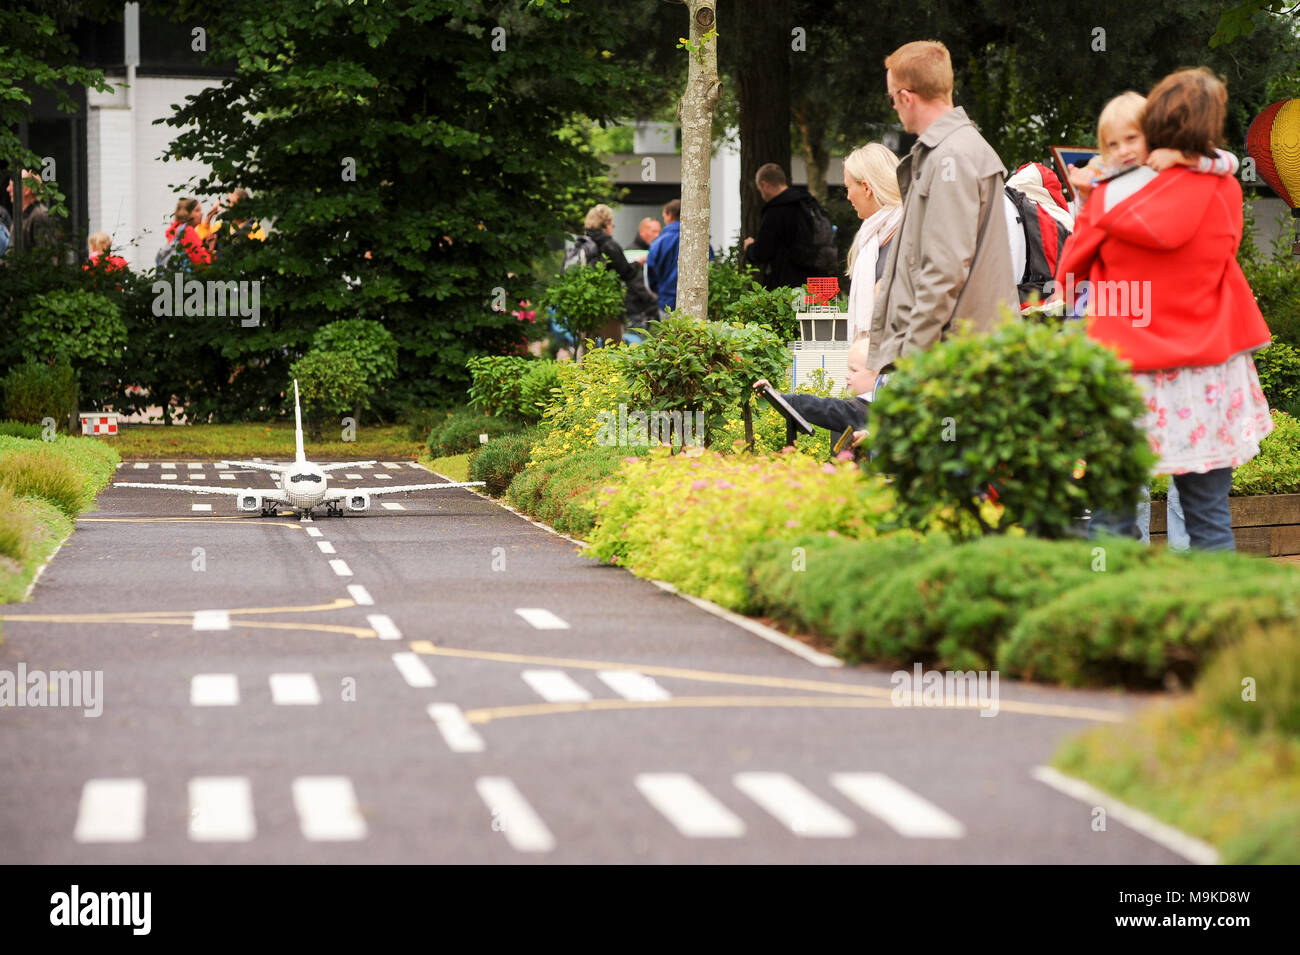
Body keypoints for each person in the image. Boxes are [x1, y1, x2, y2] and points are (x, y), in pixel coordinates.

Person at [1056, 68, 1273, 551]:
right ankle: (1214, 622)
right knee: (1208, 518)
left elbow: (1071, 276)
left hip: (1126, 375)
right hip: (1206, 375)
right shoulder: (1224, 187)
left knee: (1112, 518)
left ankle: (1116, 615)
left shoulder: (1110, 196)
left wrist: (1088, 206)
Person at [866, 40, 1018, 388]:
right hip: (957, 357)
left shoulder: (952, 157)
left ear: (907, 96)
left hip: (951, 364)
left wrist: (912, 360)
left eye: (891, 98)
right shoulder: (952, 151)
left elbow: (945, 270)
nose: (894, 108)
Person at [753, 337, 876, 449]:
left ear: (877, 375)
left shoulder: (867, 410)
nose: (847, 375)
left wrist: (783, 398)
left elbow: (826, 408)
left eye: (854, 370)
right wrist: (778, 397)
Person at [842, 144, 903, 343]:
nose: (848, 196)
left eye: (848, 187)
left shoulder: (909, 234)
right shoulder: (871, 238)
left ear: (867, 188)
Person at [743, 163, 827, 291]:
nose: (762, 195)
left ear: (764, 185)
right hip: (816, 281)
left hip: (787, 285)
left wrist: (749, 247)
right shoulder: (808, 202)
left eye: (760, 189)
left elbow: (762, 252)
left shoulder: (776, 210)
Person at [6, 170, 60, 254]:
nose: (8, 189)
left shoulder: (40, 216)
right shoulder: (20, 215)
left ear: (27, 190)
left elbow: (47, 256)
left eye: (13, 186)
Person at [646, 199, 682, 317]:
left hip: (667, 301)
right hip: (695, 300)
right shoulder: (699, 239)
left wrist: (659, 290)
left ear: (670, 215)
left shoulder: (659, 242)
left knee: (668, 334)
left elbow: (651, 271)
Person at [161, 198, 212, 270]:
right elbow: (202, 263)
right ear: (187, 214)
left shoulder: (176, 230)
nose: (201, 213)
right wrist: (210, 250)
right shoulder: (188, 231)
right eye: (197, 210)